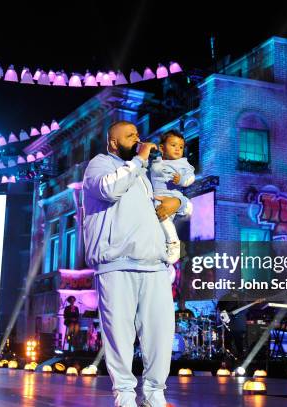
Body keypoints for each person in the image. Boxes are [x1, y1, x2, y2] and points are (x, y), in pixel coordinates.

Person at [83, 120, 191, 407]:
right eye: (130, 136)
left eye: (138, 134)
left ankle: (155, 394)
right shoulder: (100, 164)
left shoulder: (143, 175)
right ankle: (125, 395)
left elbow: (179, 202)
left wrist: (178, 204)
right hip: (116, 264)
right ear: (113, 142)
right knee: (119, 333)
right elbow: (109, 189)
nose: (138, 138)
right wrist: (141, 158)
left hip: (155, 265)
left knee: (160, 333)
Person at [150, 131, 195, 264]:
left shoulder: (183, 164)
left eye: (181, 147)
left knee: (163, 219)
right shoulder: (155, 162)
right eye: (173, 145)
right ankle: (168, 245)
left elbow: (190, 177)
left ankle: (174, 243)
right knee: (162, 223)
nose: (178, 149)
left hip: (171, 197)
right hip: (156, 197)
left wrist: (181, 180)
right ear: (162, 148)